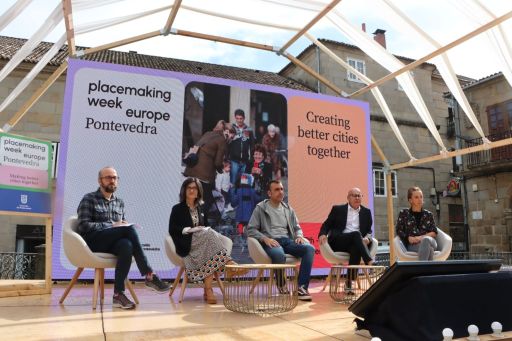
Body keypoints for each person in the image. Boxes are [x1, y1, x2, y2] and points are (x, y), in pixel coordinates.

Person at [77, 166, 170, 310]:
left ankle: (118, 295)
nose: (112, 181)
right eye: (108, 177)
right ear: (99, 180)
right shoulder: (89, 198)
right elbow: (83, 226)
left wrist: (121, 225)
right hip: (92, 242)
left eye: (114, 178)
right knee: (129, 230)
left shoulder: (119, 202)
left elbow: (120, 227)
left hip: (111, 242)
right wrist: (112, 225)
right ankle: (149, 274)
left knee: (126, 245)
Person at [168, 177, 235, 304]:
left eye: (195, 188)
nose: (192, 190)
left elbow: (205, 226)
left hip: (202, 244)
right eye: (189, 188)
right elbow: (172, 229)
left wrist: (201, 229)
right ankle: (228, 263)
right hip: (187, 244)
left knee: (209, 247)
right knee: (209, 236)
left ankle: (208, 289)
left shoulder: (201, 208)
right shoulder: (177, 208)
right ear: (184, 190)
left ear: (199, 192)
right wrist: (189, 230)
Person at [246, 180, 315, 301]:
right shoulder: (261, 208)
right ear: (269, 193)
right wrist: (264, 238)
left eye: (281, 189)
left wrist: (299, 235)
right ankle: (281, 284)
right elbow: (250, 229)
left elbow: (297, 227)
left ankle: (301, 287)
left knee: (309, 249)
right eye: (276, 190)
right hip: (271, 241)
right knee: (278, 254)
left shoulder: (288, 209)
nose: (280, 192)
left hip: (287, 240)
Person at [318, 188, 373, 292]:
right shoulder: (338, 209)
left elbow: (369, 231)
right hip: (339, 241)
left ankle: (349, 283)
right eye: (354, 195)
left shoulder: (366, 212)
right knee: (357, 234)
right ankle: (369, 261)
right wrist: (322, 234)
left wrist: (367, 238)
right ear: (348, 198)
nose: (357, 198)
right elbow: (326, 224)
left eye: (359, 195)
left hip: (356, 242)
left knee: (355, 247)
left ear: (361, 197)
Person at [183, 120, 235, 215]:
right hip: (204, 175)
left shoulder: (208, 133)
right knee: (208, 200)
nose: (231, 138)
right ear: (227, 131)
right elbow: (218, 162)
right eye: (232, 135)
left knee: (196, 198)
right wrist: (221, 170)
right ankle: (200, 221)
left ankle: (193, 217)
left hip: (191, 170)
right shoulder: (222, 140)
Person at [396, 186, 438, 260]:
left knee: (426, 240)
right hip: (413, 245)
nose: (420, 199)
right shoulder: (404, 213)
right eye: (416, 197)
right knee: (430, 250)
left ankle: (420, 269)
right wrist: (408, 238)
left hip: (430, 241)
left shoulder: (428, 214)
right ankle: (427, 270)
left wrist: (420, 238)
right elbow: (399, 230)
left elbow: (434, 232)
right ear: (410, 200)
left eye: (421, 197)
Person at [228, 109, 254, 185]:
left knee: (243, 183)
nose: (239, 120)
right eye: (237, 118)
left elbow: (252, 145)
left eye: (241, 118)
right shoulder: (231, 128)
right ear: (235, 118)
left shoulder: (249, 129)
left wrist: (251, 159)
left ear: (244, 118)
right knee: (233, 183)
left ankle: (240, 197)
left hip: (245, 161)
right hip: (234, 161)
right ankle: (233, 197)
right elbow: (227, 144)